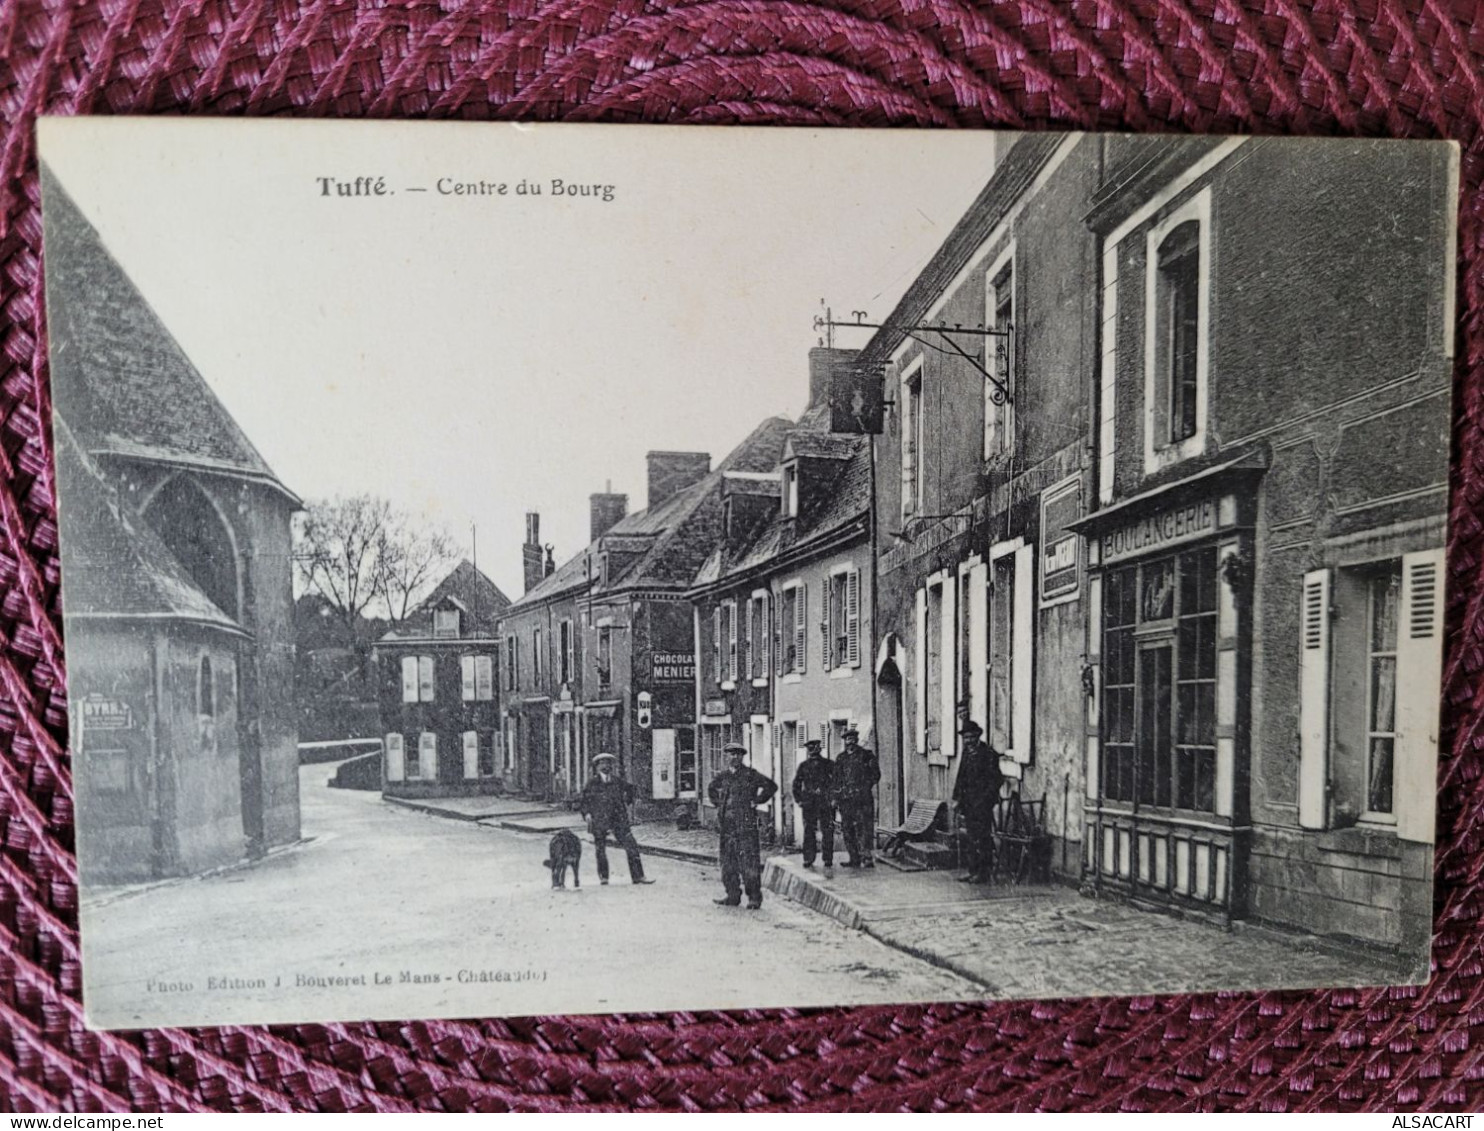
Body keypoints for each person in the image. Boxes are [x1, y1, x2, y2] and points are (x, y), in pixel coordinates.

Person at [707, 742, 778, 909]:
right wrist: (719, 805)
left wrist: (757, 801)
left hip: (745, 826)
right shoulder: (723, 776)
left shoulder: (750, 775)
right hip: (727, 827)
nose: (734, 757)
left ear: (742, 757)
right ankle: (732, 895)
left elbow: (771, 786)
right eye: (731, 754)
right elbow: (711, 788)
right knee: (728, 862)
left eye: (738, 754)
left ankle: (754, 897)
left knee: (749, 862)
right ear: (726, 756)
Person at [578, 753, 654, 886]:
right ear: (597, 767)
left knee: (631, 846)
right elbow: (584, 802)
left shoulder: (617, 781)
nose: (605, 766)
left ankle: (638, 876)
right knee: (600, 849)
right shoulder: (592, 784)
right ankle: (604, 877)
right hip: (599, 819)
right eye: (602, 763)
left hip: (618, 819)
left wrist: (629, 802)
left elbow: (630, 790)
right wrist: (587, 814)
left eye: (608, 763)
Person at [951, 719, 1006, 883]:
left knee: (983, 838)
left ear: (977, 736)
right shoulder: (967, 754)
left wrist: (986, 798)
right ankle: (972, 870)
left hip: (983, 804)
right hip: (968, 804)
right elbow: (961, 777)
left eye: (970, 737)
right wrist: (956, 798)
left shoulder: (989, 754)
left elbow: (997, 780)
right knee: (970, 837)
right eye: (965, 738)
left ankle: (984, 872)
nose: (967, 741)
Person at [833, 727, 880, 869]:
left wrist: (864, 786)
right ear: (844, 741)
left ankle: (866, 858)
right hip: (846, 800)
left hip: (862, 799)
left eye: (853, 739)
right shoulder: (841, 758)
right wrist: (836, 796)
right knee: (847, 830)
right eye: (848, 739)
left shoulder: (866, 756)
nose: (850, 742)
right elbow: (836, 779)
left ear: (857, 740)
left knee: (864, 828)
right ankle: (854, 858)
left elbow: (876, 775)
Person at [791, 739, 836, 878]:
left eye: (816, 749)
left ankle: (827, 859)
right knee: (809, 831)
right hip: (809, 803)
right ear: (808, 751)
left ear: (820, 749)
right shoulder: (803, 766)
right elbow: (796, 784)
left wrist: (834, 798)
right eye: (811, 750)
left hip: (825, 802)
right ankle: (808, 858)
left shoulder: (829, 764)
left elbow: (837, 782)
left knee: (827, 830)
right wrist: (799, 800)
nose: (814, 752)